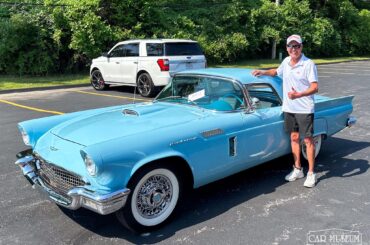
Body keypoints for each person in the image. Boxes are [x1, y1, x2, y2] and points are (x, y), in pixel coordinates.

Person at [251, 34, 319, 187]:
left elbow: (315, 87)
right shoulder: (286, 61)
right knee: (294, 138)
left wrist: (299, 94)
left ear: (301, 47)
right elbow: (276, 72)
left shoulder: (308, 64)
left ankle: (311, 173)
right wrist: (262, 72)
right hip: (289, 107)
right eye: (290, 46)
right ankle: (297, 169)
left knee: (308, 139)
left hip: (304, 108)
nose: (293, 49)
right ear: (287, 48)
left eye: (296, 46)